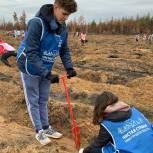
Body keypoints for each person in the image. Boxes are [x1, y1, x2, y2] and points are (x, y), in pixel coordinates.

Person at [16, 0, 77, 145]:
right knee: (34, 100)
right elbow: (31, 52)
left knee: (43, 99)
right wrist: (46, 73)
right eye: (64, 13)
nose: (66, 17)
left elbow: (64, 49)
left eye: (69, 15)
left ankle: (46, 127)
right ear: (56, 7)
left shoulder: (63, 27)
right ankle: (39, 131)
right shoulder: (37, 23)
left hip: (45, 68)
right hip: (29, 67)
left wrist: (69, 67)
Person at [79, 91, 153, 153]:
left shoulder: (107, 124)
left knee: (95, 150)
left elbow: (98, 144)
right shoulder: (136, 112)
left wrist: (84, 151)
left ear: (100, 107)